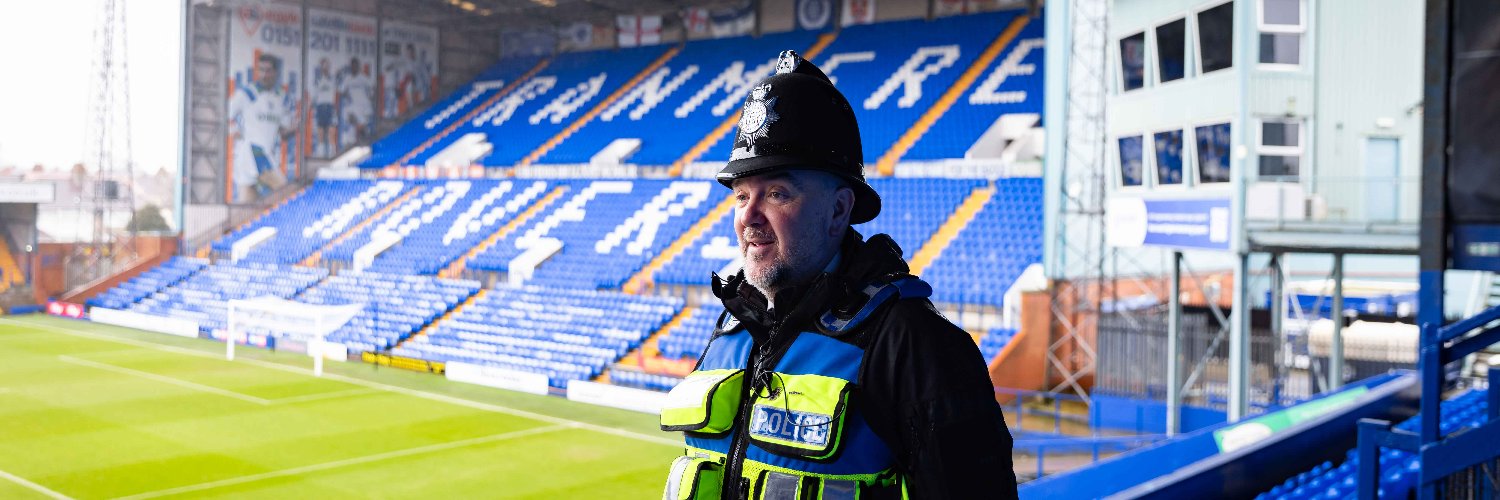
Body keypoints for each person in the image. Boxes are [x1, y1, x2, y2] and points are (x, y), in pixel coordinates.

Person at [659, 50, 1018, 499]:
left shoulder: (915, 344)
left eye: (776, 193)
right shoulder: (733, 325)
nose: (748, 217)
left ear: (838, 210)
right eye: (740, 195)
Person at [228, 53, 297, 203]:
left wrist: (296, 127)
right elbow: (226, 114)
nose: (264, 74)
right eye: (261, 70)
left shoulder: (282, 98)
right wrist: (234, 131)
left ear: (275, 72)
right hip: (253, 153)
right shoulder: (247, 94)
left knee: (248, 211)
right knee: (287, 194)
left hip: (266, 154)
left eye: (268, 70)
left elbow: (283, 133)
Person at [311, 57, 338, 157]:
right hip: (320, 107)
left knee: (331, 132)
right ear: (321, 68)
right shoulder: (317, 80)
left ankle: (332, 154)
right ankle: (320, 154)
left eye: (327, 66)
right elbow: (314, 96)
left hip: (330, 107)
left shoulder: (333, 79)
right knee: (320, 133)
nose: (325, 68)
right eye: (323, 66)